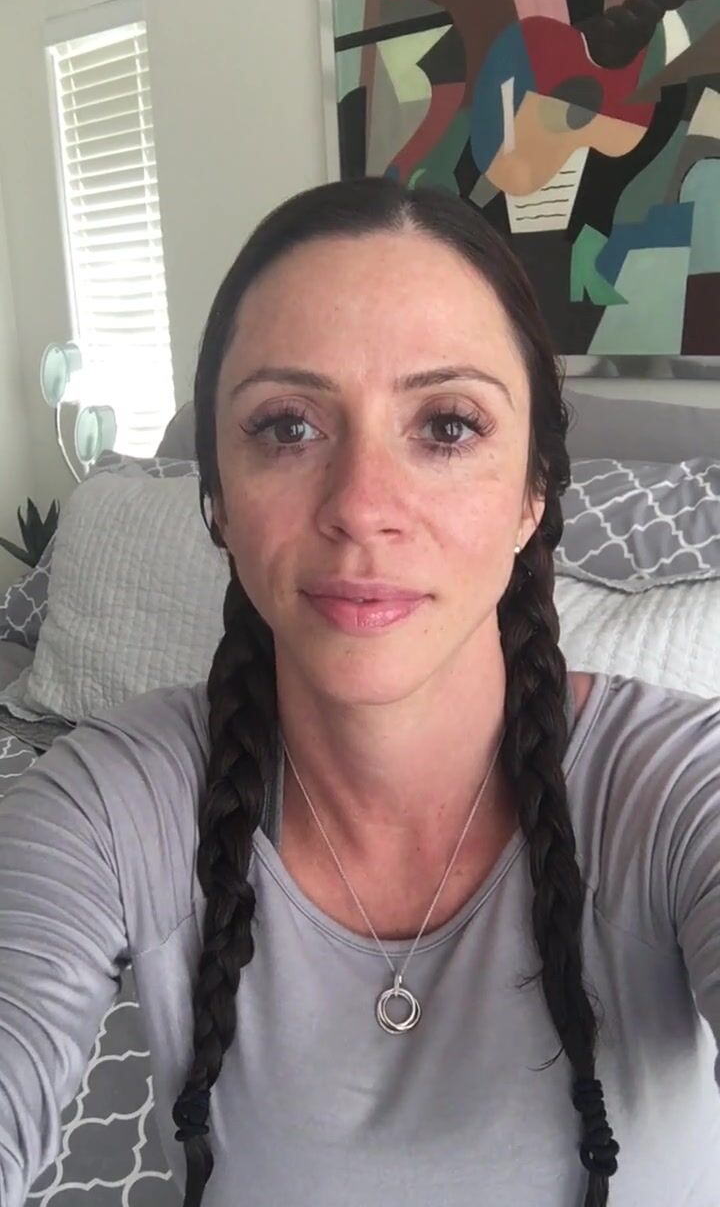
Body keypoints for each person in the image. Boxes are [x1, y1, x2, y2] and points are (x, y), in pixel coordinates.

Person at [1, 178, 719, 1207]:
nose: (361, 506)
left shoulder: (680, 786)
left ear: (533, 495)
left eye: (449, 426)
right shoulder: (108, 805)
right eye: (287, 427)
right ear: (217, 499)